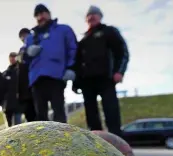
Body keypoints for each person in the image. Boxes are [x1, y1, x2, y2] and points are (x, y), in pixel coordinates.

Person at [72, 6, 129, 136]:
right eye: (89, 15)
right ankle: (95, 137)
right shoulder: (83, 40)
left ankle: (116, 136)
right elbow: (77, 63)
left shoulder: (109, 31)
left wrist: (119, 71)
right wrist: (76, 82)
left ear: (100, 16)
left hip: (106, 78)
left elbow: (122, 52)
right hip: (87, 81)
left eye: (94, 14)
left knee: (111, 109)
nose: (91, 17)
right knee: (91, 112)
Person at [23, 4, 77, 123]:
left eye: (42, 13)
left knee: (58, 111)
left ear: (49, 14)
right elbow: (24, 59)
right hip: (36, 79)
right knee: (40, 115)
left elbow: (72, 48)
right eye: (37, 15)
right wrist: (27, 53)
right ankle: (43, 140)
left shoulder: (63, 30)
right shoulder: (31, 37)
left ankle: (62, 139)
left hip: (56, 76)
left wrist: (71, 67)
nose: (40, 17)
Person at [16, 28, 36, 123]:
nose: (23, 38)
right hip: (24, 91)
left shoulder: (36, 47)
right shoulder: (21, 52)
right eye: (21, 36)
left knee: (39, 115)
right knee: (29, 117)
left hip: (34, 87)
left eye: (25, 35)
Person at [2, 52, 22, 127]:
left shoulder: (21, 71)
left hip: (18, 104)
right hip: (7, 105)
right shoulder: (4, 73)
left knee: (18, 126)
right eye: (11, 57)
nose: (12, 58)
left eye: (14, 57)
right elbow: (1, 89)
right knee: (9, 127)